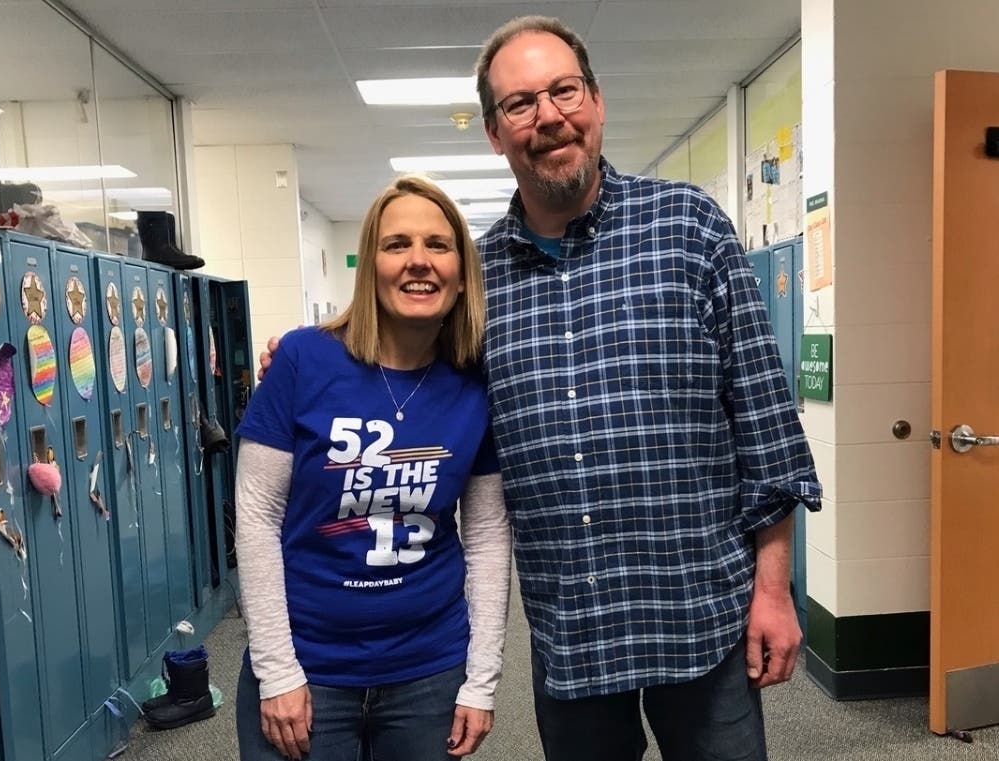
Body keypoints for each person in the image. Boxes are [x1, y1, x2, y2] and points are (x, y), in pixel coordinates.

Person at [261, 15, 821, 761]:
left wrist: (773, 589)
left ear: (595, 100)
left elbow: (765, 427)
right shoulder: (479, 280)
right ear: (495, 132)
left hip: (702, 615)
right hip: (573, 629)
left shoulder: (691, 229)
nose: (547, 116)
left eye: (563, 91)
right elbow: (401, 340)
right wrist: (307, 349)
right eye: (520, 104)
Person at [235, 175, 511, 761]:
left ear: (462, 271)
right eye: (396, 244)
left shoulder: (476, 383)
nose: (419, 261)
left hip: (429, 669)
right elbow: (257, 518)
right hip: (308, 664)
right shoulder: (302, 361)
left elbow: (486, 536)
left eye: (439, 245)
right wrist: (277, 669)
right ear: (370, 264)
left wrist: (481, 678)